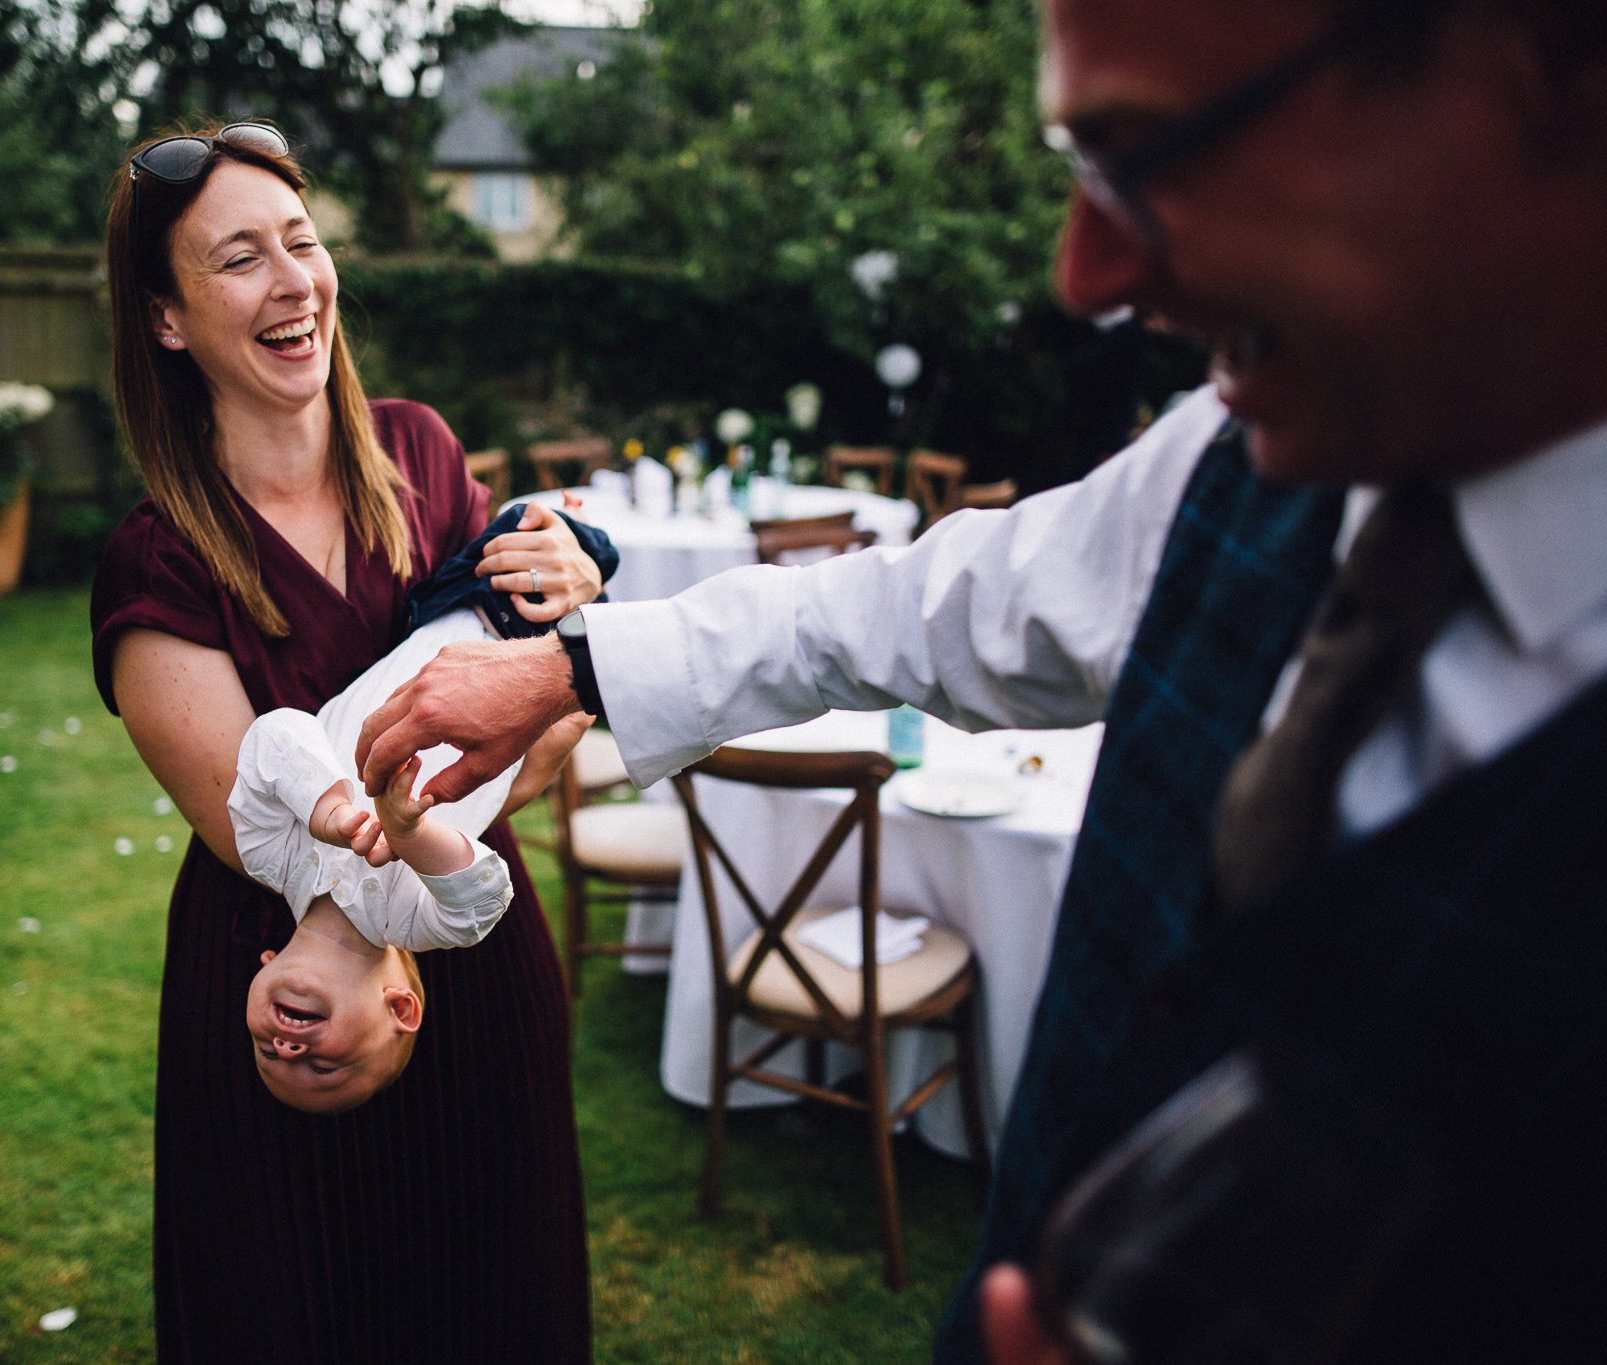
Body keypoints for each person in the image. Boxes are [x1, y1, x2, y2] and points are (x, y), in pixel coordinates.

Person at [356, 1, 1607, 1359]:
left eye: (1150, 150)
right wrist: (578, 663)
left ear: (1552, 74)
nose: (1088, 271)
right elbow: (925, 604)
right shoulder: (1223, 472)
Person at [89, 119, 600, 1360]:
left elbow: (548, 715)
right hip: (288, 988)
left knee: (495, 1303)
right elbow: (274, 836)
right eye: (236, 259)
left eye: (301, 243)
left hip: (475, 969)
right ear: (165, 318)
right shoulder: (153, 566)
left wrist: (571, 613)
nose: (291, 281)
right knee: (302, 1313)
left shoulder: (421, 453)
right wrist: (528, 716)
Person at [232, 504, 620, 1113]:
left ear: (265, 966)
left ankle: (568, 510)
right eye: (324, 1065)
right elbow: (483, 895)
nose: (287, 1047)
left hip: (450, 609)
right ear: (401, 1009)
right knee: (582, 549)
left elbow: (274, 738)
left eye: (264, 1050)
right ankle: (576, 519)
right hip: (531, 652)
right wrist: (408, 834)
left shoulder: (271, 858)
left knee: (534, 527)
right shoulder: (420, 923)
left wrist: (331, 809)